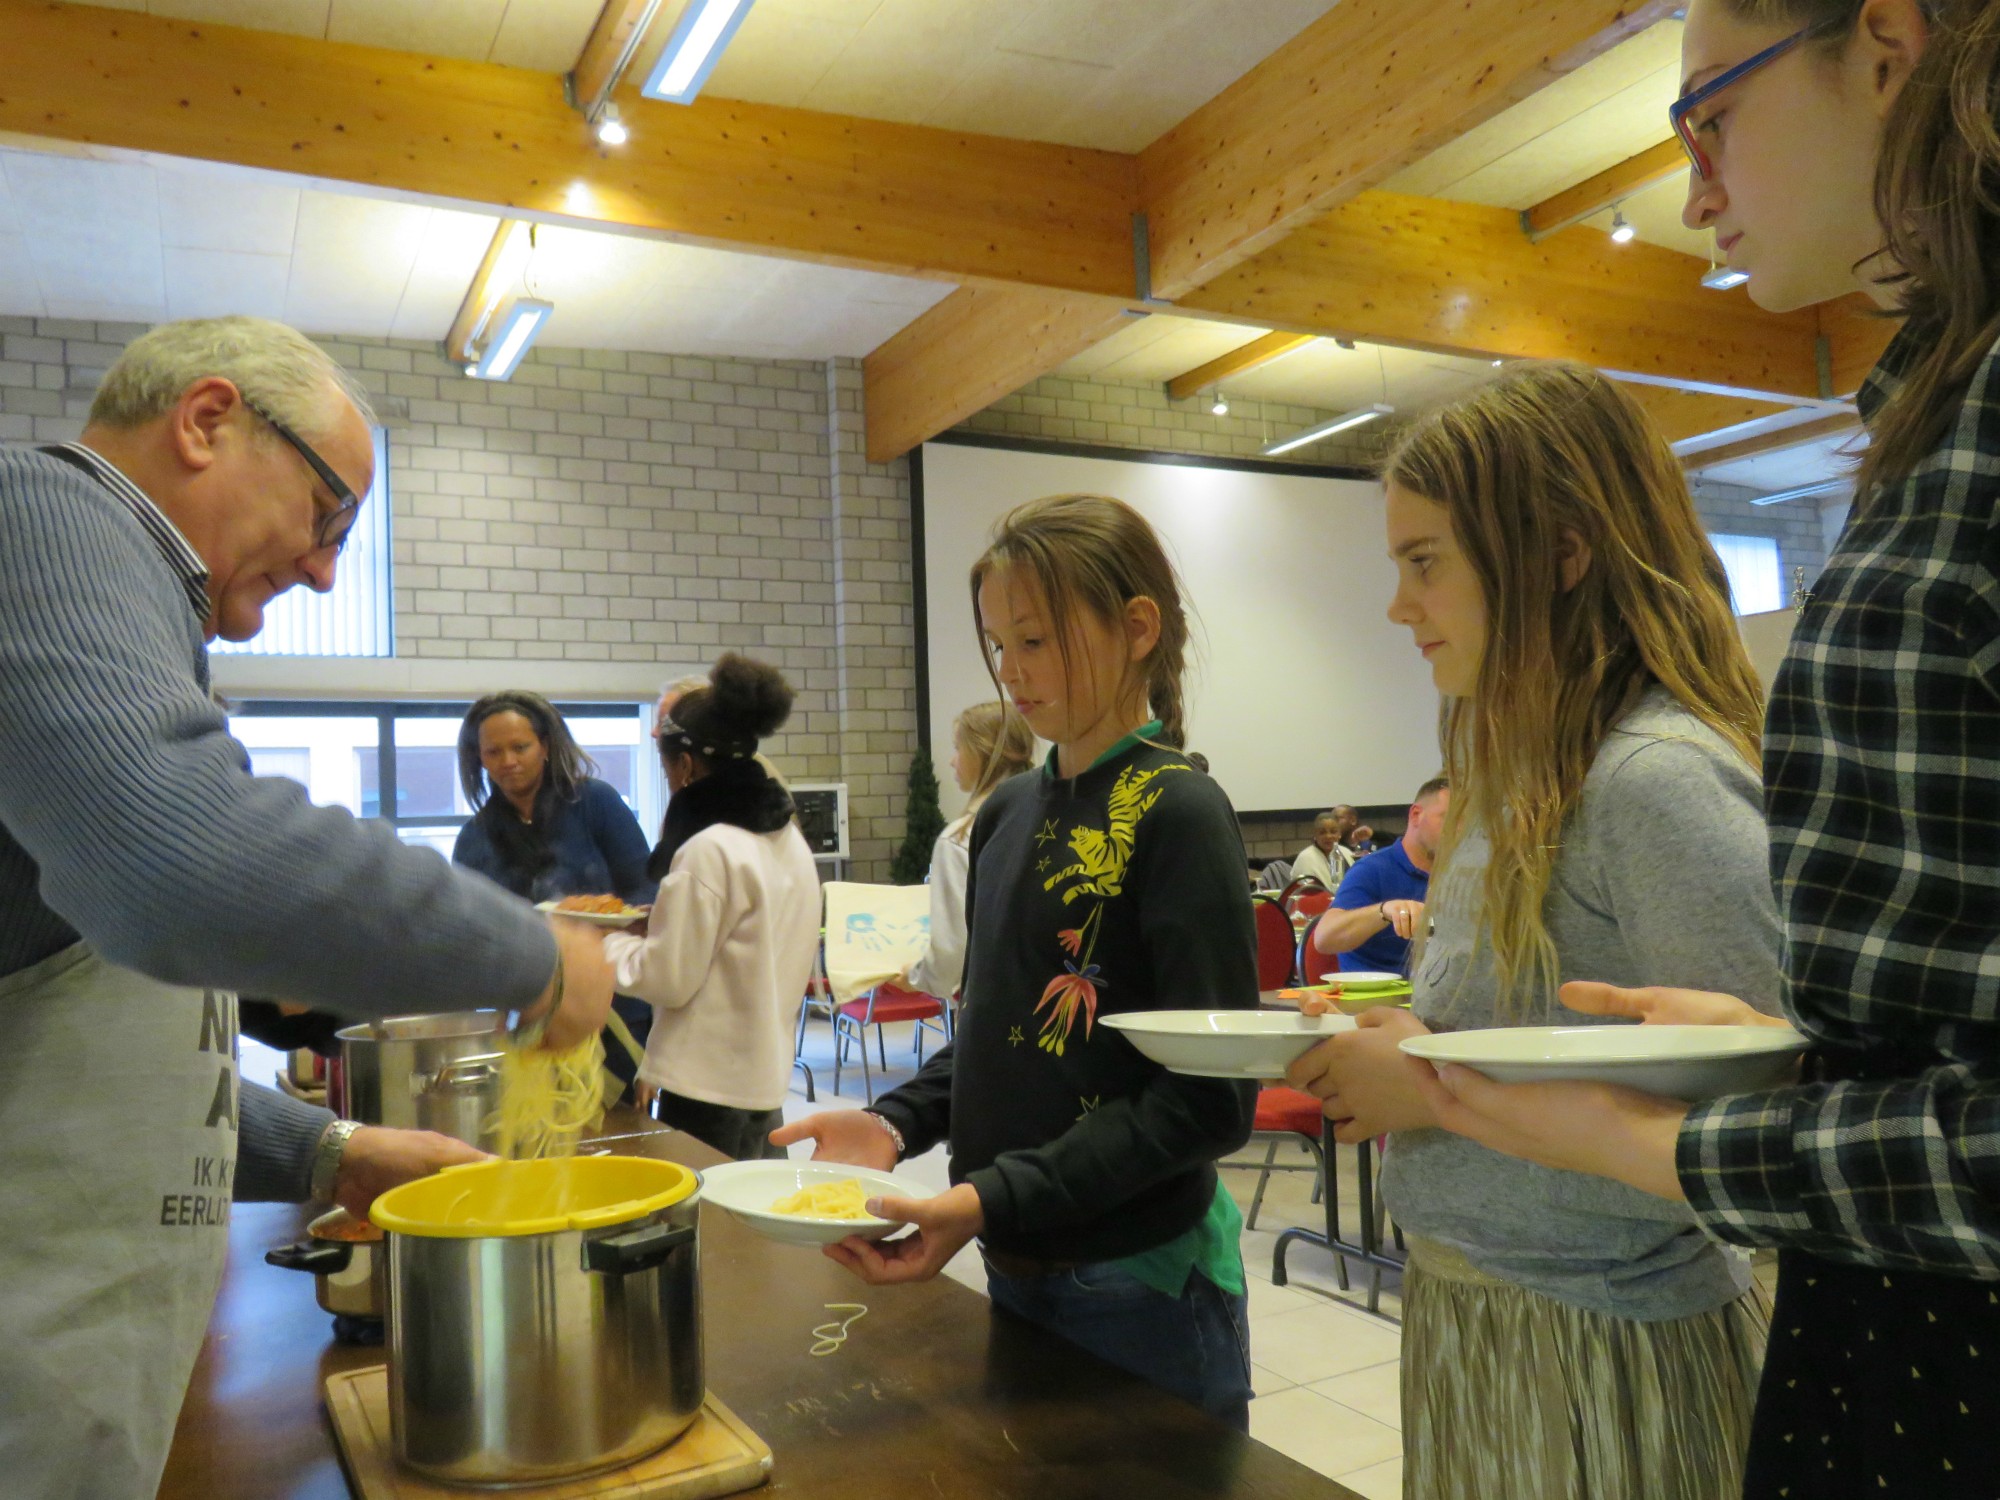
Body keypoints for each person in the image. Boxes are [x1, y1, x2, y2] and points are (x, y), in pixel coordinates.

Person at [1407, 4, 2000, 1494]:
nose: (1692, 190)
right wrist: (1766, 1063)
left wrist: (1672, 1143)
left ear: (1885, 43)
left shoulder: (1653, 775)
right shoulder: (1940, 412)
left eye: (1710, 117)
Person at [0, 315, 612, 1500]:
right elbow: (175, 863)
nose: (329, 571)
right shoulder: (46, 516)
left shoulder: (128, 601)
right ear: (207, 419)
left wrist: (327, 1152)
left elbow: (79, 1061)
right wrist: (529, 953)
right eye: (329, 517)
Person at [1289, 363, 1781, 1499]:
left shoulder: (1652, 782)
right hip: (1479, 1315)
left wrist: (1436, 1088)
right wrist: (1414, 1039)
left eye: (1425, 564)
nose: (1397, 605)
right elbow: (1530, 1028)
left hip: (1602, 1343)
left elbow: (1756, 1137)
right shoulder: (1508, 778)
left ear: (1560, 555)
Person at [772, 494, 1261, 1429]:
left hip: (1138, 1279)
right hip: (1014, 1252)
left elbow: (1208, 1100)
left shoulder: (1180, 812)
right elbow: (1002, 1030)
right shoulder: (1006, 813)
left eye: (1035, 641)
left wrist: (988, 1197)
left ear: (1137, 628)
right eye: (999, 644)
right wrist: (893, 1122)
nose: (1011, 671)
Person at [605, 655, 820, 1161]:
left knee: (705, 1236)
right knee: (750, 1231)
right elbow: (737, 949)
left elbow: (668, 979)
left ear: (682, 766)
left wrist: (603, 944)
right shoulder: (788, 841)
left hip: (706, 1089)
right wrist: (656, 926)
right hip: (763, 1083)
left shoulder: (709, 849)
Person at [452, 691, 654, 1097]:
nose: (508, 761)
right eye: (493, 752)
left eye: (520, 747)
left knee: (615, 1130)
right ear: (479, 758)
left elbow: (643, 886)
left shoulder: (595, 802)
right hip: (527, 1012)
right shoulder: (476, 837)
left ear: (545, 745)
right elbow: (466, 927)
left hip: (615, 1005)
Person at [900, 701, 1036, 1001]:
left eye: (958, 748)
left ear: (983, 752)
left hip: (997, 1010)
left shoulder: (961, 838)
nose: (951, 761)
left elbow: (952, 956)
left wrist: (916, 975)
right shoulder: (1055, 815)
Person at [1309, 778, 1449, 973]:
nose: (1459, 830)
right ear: (1416, 815)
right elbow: (1324, 939)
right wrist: (1383, 911)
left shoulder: (1463, 874)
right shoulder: (1373, 869)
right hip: (1379, 998)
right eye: (1449, 819)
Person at [1287, 810, 1350, 891]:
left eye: (1333, 832)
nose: (1328, 836)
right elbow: (1307, 892)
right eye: (1322, 832)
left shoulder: (1346, 852)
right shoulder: (1306, 858)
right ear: (1315, 835)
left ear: (1339, 834)